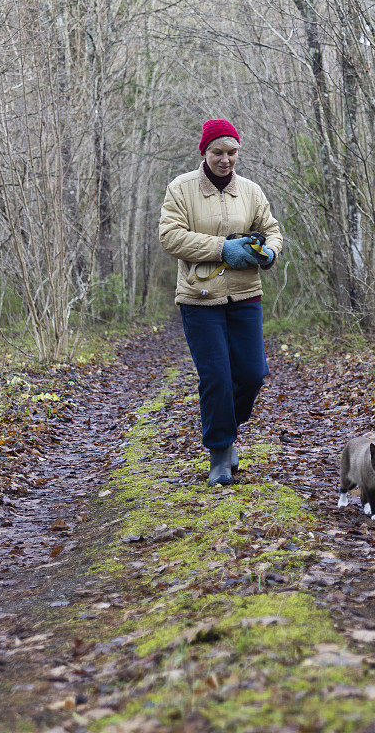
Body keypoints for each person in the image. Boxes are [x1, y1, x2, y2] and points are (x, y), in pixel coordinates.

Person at [159, 119, 283, 487]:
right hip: (200, 299)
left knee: (251, 374)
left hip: (246, 294)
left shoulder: (250, 190)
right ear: (204, 152)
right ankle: (219, 455)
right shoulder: (181, 188)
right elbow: (170, 236)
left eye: (231, 152)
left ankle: (226, 430)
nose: (225, 159)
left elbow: (273, 230)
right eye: (218, 152)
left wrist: (268, 254)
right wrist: (222, 249)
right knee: (216, 377)